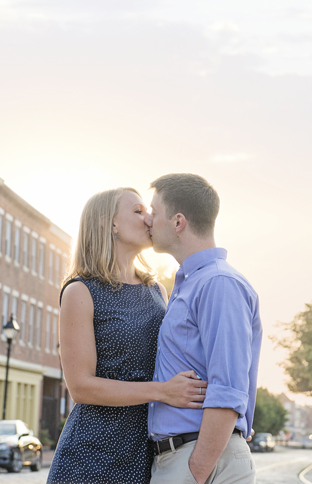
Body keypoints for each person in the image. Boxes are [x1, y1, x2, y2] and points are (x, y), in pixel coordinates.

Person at [48, 187, 208, 484]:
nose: (149, 219)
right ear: (110, 224)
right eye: (138, 211)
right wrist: (161, 391)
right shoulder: (80, 291)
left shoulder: (157, 290)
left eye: (148, 211)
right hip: (92, 457)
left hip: (148, 453)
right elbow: (81, 387)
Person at [145, 173, 262, 484]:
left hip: (202, 461)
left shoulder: (218, 283)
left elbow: (228, 389)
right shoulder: (190, 284)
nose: (147, 219)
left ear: (178, 222)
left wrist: (194, 472)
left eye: (154, 212)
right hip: (185, 458)